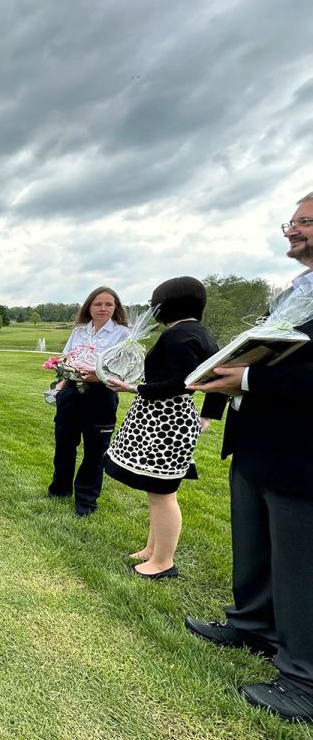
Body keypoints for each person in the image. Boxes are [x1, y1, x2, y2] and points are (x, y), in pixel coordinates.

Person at [185, 192, 313, 721]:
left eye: (304, 222)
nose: (292, 230)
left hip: (302, 451)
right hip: (260, 440)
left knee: (301, 564)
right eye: (291, 222)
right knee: (255, 544)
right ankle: (254, 624)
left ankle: (304, 679)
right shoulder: (297, 291)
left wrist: (252, 378)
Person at [104, 277, 225, 579]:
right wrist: (208, 416)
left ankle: (163, 562)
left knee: (163, 493)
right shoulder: (200, 333)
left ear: (169, 304)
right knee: (156, 488)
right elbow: (219, 377)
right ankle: (152, 549)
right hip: (173, 419)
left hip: (164, 422)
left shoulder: (178, 336)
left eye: (155, 302)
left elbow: (177, 384)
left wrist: (132, 388)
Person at [47, 287, 131, 516]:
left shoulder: (123, 334)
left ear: (116, 307)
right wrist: (60, 384)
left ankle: (85, 501)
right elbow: (67, 357)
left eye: (108, 304)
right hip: (72, 393)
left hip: (101, 396)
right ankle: (59, 490)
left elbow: (123, 369)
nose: (103, 308)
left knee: (95, 451)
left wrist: (97, 377)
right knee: (64, 444)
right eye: (98, 304)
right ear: (89, 307)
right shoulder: (80, 330)